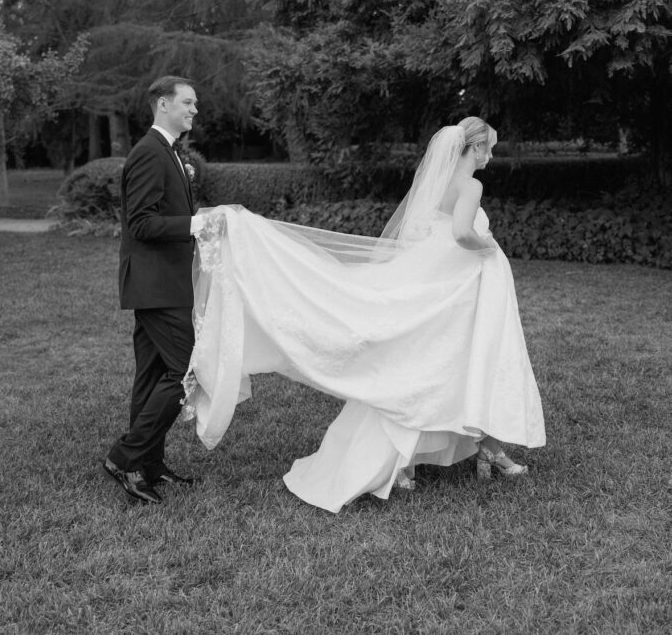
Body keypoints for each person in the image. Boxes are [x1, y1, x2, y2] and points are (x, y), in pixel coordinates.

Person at [182, 117, 545, 513]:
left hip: (442, 280)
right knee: (460, 362)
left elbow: (426, 233)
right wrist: (487, 245)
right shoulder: (471, 185)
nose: (490, 156)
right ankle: (476, 451)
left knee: (435, 362)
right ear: (472, 149)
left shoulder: (437, 183)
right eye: (488, 148)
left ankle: (441, 457)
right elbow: (460, 233)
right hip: (460, 285)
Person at [103, 75, 203, 505]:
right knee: (184, 372)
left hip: (164, 282)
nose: (194, 110)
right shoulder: (149, 152)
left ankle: (149, 463)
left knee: (150, 377)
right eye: (187, 102)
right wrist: (194, 224)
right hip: (156, 285)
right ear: (163, 104)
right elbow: (140, 223)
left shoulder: (169, 152)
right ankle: (124, 458)